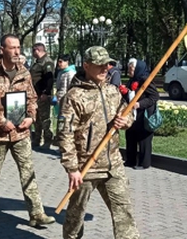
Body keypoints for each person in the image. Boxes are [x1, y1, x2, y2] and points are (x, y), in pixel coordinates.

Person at [56, 46, 139, 239]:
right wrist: (71, 168)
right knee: (75, 216)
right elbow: (65, 133)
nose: (105, 69)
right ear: (86, 65)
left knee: (124, 213)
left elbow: (127, 115)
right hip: (86, 166)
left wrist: (125, 121)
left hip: (113, 164)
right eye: (100, 65)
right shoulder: (74, 96)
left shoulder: (113, 91)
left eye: (108, 65)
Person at [0, 34, 55, 226]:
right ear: (2, 49)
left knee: (28, 172)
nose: (16, 51)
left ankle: (36, 213)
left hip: (21, 132)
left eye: (19, 48)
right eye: (12, 48)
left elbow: (31, 98)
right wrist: (2, 120)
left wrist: (31, 117)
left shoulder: (24, 73)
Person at [124, 58, 159, 170]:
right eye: (129, 68)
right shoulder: (132, 79)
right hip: (133, 114)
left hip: (144, 114)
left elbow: (154, 96)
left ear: (138, 68)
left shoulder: (145, 79)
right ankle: (130, 160)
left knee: (144, 139)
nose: (129, 71)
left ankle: (144, 163)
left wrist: (140, 104)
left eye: (131, 69)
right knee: (130, 136)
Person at [30, 43, 55, 148]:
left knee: (45, 119)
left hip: (43, 95)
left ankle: (47, 140)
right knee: (37, 119)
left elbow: (49, 79)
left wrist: (46, 92)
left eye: (33, 51)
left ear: (37, 50)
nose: (32, 54)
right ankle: (37, 139)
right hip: (36, 94)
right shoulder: (37, 62)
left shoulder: (47, 62)